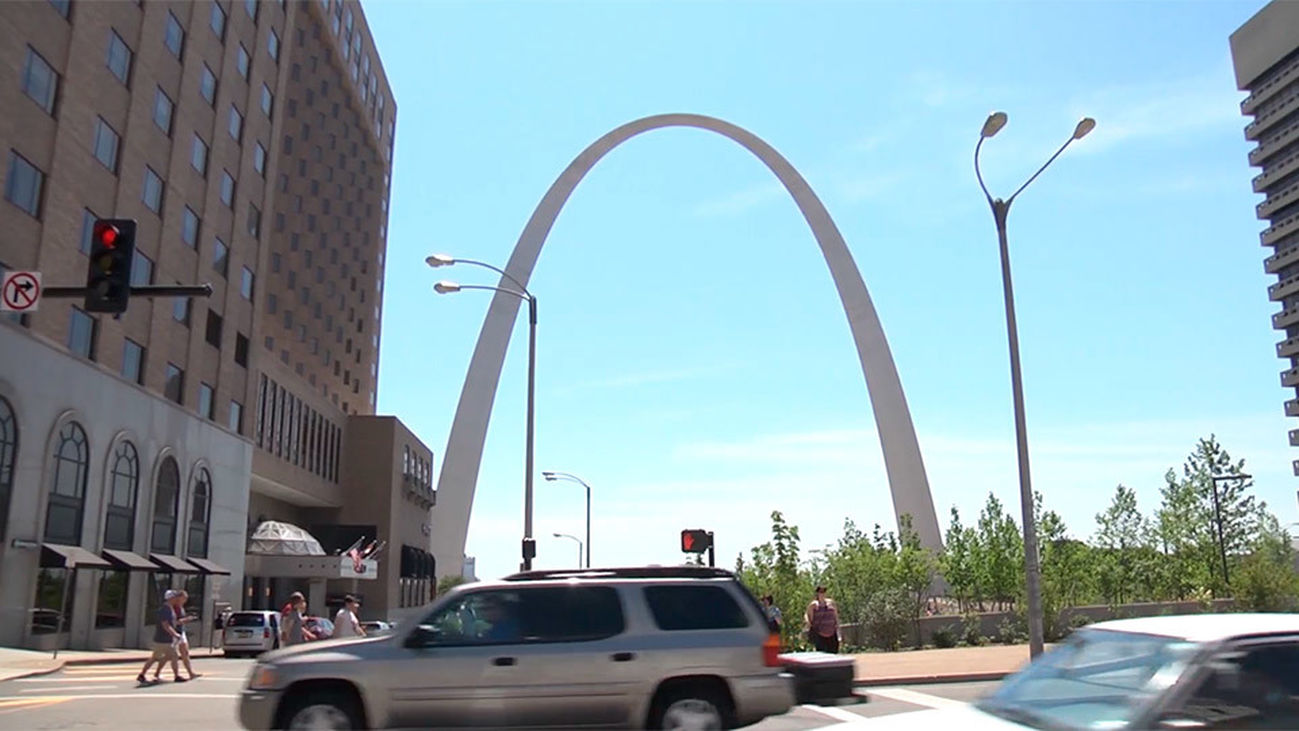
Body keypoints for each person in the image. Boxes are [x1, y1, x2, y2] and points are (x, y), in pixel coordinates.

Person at [137, 590, 184, 685]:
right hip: (164, 639)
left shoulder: (169, 608)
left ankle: (142, 674)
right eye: (174, 597)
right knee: (174, 656)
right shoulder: (165, 609)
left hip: (162, 639)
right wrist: (175, 634)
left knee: (156, 657)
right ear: (170, 598)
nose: (176, 599)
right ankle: (176, 676)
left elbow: (171, 623)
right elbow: (165, 625)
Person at [167, 590, 201, 681]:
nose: (185, 600)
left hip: (181, 632)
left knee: (185, 652)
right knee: (172, 655)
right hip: (174, 632)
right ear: (178, 598)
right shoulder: (173, 608)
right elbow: (174, 622)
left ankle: (190, 673)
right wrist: (186, 620)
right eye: (184, 598)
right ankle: (175, 675)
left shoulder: (181, 607)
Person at [804, 586, 840, 654]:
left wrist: (839, 631)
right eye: (820, 592)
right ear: (817, 593)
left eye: (824, 592)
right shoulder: (813, 605)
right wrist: (809, 624)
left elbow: (836, 617)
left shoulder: (831, 603)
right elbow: (807, 615)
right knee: (822, 655)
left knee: (834, 654)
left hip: (832, 633)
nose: (822, 594)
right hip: (820, 634)